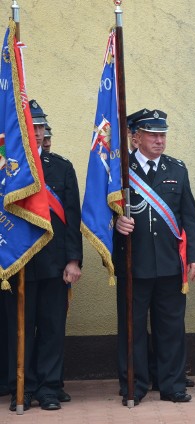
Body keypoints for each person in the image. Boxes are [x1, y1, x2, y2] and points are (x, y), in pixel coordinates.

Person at [114, 109, 195, 406]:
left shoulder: (177, 169)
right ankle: (134, 384)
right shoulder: (120, 170)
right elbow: (99, 215)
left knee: (171, 328)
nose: (159, 140)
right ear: (135, 137)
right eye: (153, 134)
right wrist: (116, 224)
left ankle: (172, 385)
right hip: (133, 263)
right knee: (133, 328)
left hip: (169, 264)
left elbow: (188, 218)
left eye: (162, 134)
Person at [5, 100, 82, 411]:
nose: (37, 132)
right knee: (19, 329)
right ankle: (21, 386)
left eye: (41, 127)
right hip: (18, 263)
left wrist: (74, 261)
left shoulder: (61, 167)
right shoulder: (7, 169)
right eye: (32, 126)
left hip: (55, 263)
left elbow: (73, 219)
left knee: (51, 328)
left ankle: (49, 388)